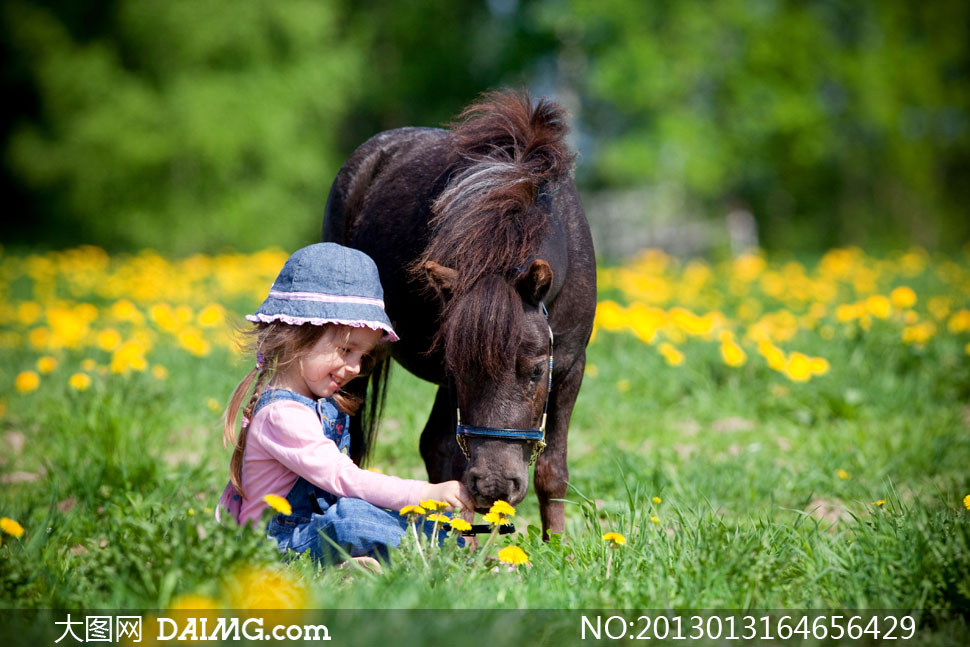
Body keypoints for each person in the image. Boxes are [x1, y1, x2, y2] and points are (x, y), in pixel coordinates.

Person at [215, 242, 473, 567]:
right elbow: (344, 478)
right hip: (273, 547)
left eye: (362, 356)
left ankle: (445, 547)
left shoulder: (320, 403)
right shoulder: (281, 415)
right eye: (346, 350)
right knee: (352, 519)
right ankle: (446, 553)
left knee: (363, 513)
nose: (355, 368)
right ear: (298, 335)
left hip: (308, 530)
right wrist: (426, 493)